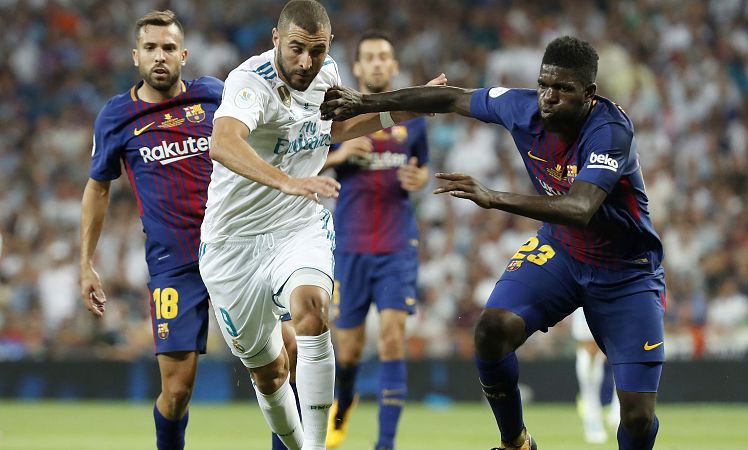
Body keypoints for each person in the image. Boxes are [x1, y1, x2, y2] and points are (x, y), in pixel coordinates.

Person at [321, 36, 666, 450]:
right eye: (544, 85)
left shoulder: (610, 131)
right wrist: (364, 103)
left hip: (626, 272)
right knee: (490, 330)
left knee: (638, 418)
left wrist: (493, 197)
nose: (548, 97)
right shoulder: (521, 107)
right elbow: (451, 98)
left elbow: (581, 208)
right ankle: (516, 442)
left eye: (563, 89)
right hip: (562, 251)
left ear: (589, 95)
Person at [197, 2, 444, 449]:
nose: (306, 62)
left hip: (297, 225)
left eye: (317, 50)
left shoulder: (326, 75)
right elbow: (223, 142)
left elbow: (338, 128)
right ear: (276, 39)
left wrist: (408, 106)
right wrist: (289, 181)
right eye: (296, 49)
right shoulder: (250, 83)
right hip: (233, 243)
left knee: (312, 311)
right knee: (268, 371)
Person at [79, 10, 222, 450]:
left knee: (276, 364)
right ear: (135, 56)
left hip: (235, 251)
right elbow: (98, 188)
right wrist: (86, 264)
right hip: (173, 265)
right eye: (149, 48)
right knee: (177, 391)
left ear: (183, 54)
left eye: (167, 48)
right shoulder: (117, 116)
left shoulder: (215, 96)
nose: (159, 57)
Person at [322, 31, 430, 450]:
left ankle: (385, 444)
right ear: (358, 68)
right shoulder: (339, 121)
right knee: (347, 351)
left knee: (391, 338)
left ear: (395, 65)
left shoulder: (412, 118)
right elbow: (306, 161)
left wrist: (420, 179)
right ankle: (344, 405)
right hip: (349, 245)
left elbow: (420, 170)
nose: (379, 64)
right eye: (370, 57)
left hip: (397, 244)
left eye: (385, 56)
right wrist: (341, 155)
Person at [571, 307, 620, 444]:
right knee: (588, 352)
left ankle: (618, 411)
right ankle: (592, 420)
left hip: (613, 299)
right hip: (585, 299)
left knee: (621, 350)